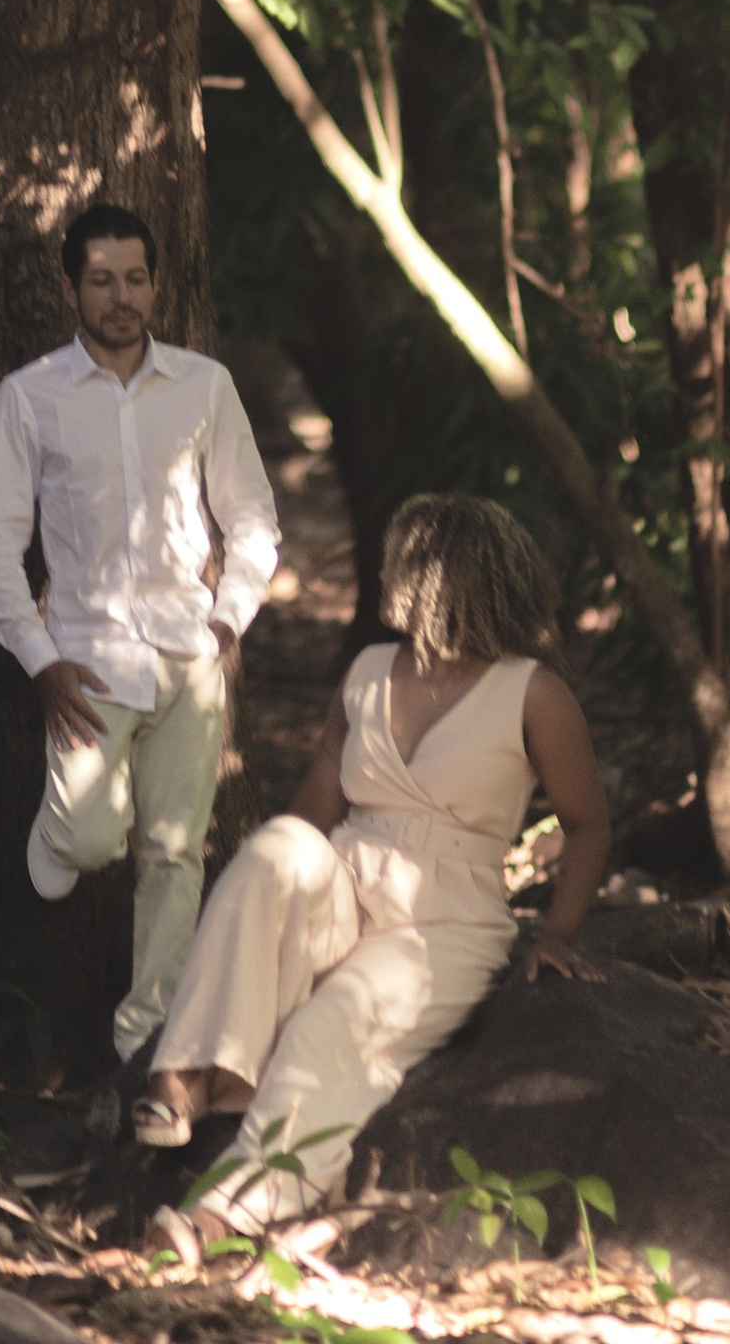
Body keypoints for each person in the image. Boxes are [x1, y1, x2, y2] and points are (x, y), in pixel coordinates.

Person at [135, 489, 610, 1263]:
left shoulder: (533, 693)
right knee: (274, 850)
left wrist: (558, 933)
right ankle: (182, 1077)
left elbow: (588, 822)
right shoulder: (367, 671)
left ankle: (220, 1217)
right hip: (348, 878)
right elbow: (314, 810)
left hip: (443, 922)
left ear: (449, 582)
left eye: (407, 570)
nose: (392, 582)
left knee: (334, 1027)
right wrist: (268, 893)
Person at [0, 197, 281, 1072]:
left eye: (135, 279)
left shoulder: (203, 388)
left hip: (189, 653)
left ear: (155, 284)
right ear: (71, 287)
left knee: (175, 855)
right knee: (93, 842)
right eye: (101, 280)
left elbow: (253, 517)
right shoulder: (29, 397)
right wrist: (38, 661)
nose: (121, 298)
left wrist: (228, 618)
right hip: (87, 660)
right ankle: (58, 834)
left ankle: (147, 1036)